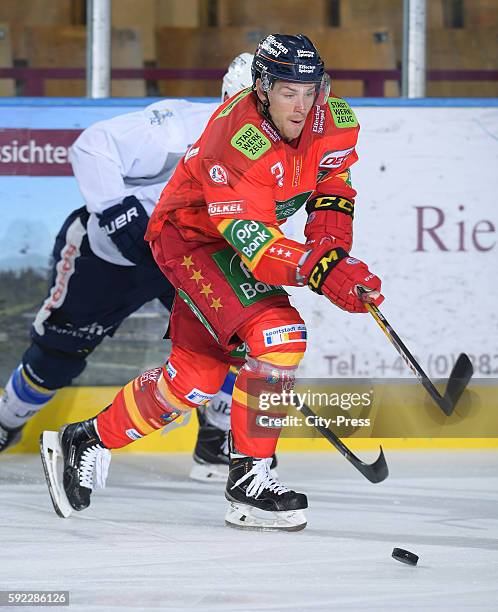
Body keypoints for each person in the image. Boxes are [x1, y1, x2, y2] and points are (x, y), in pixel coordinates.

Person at [40, 34, 382, 531]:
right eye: (289, 92)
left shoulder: (337, 119)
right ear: (262, 90)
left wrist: (331, 251)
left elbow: (333, 188)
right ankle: (250, 482)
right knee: (280, 336)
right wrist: (322, 270)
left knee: (196, 378)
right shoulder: (235, 141)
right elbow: (258, 248)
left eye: (311, 91)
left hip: (239, 244)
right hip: (192, 240)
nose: (303, 105)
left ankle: (86, 440)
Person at [1, 53, 254, 482]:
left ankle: (214, 441)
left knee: (233, 337)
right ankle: (7, 420)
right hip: (114, 256)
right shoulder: (178, 127)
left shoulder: (284, 147)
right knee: (57, 356)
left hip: (186, 258)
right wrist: (116, 210)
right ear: (229, 99)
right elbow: (92, 144)